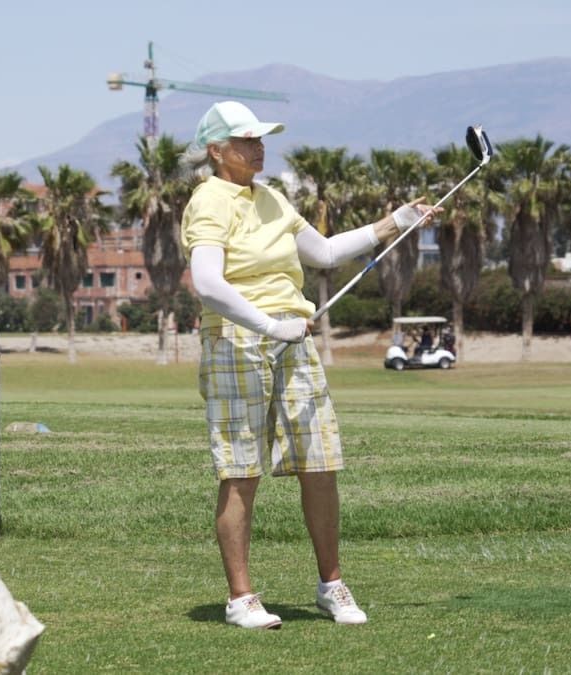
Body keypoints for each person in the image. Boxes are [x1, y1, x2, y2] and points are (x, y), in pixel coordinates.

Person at [180, 101, 439, 629]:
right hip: (237, 338)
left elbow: (321, 252)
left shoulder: (272, 197)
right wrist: (269, 325)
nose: (259, 148)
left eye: (261, 139)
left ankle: (332, 585)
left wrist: (396, 222)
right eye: (246, 141)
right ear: (216, 150)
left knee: (320, 463)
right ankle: (241, 598)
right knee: (241, 469)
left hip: (293, 337)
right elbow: (208, 283)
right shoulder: (209, 199)